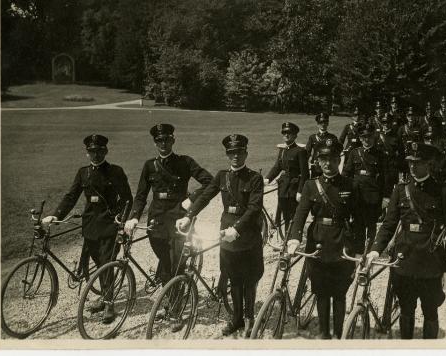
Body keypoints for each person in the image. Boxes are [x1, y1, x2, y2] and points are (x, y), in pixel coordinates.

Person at [366, 142, 446, 339]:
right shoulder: (400, 191)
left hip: (430, 262)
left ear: (428, 164)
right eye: (410, 163)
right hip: (404, 261)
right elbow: (389, 225)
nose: (413, 167)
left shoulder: (443, 192)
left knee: (430, 311)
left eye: (418, 163)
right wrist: (375, 249)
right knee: (406, 310)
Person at [124, 123, 213, 328]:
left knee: (177, 265)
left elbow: (209, 181)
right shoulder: (149, 166)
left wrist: (192, 198)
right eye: (159, 140)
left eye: (166, 140)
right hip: (156, 222)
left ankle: (175, 310)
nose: (163, 144)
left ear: (173, 140)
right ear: (155, 143)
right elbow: (141, 195)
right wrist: (135, 216)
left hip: (179, 221)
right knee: (165, 265)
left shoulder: (185, 162)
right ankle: (171, 297)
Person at [177, 134, 264, 338]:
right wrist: (189, 216)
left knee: (249, 280)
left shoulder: (254, 178)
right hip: (226, 235)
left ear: (246, 153)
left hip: (247, 235)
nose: (236, 156)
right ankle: (236, 319)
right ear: (227, 155)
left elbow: (254, 208)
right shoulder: (222, 176)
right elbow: (206, 196)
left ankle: (250, 318)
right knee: (234, 278)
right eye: (232, 153)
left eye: (239, 152)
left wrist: (238, 229)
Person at [42, 134, 133, 324]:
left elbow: (127, 199)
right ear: (87, 153)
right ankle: (105, 297)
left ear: (105, 151)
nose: (96, 155)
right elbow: (71, 196)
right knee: (98, 262)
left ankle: (109, 303)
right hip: (90, 225)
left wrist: (121, 223)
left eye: (99, 151)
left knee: (106, 263)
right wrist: (55, 215)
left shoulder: (115, 171)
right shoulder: (83, 173)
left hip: (109, 225)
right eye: (92, 151)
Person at [287, 138, 365, 339]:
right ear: (318, 161)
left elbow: (359, 220)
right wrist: (294, 239)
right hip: (318, 242)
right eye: (323, 159)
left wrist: (358, 249)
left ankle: (339, 334)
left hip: (342, 243)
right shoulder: (310, 185)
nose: (327, 163)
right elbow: (300, 214)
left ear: (339, 159)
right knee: (321, 291)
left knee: (339, 293)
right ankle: (324, 332)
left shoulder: (350, 185)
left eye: (331, 159)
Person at [342, 122, 390, 243]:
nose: (366, 140)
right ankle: (359, 250)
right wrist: (344, 190)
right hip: (357, 194)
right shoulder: (354, 153)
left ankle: (369, 250)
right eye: (363, 137)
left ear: (374, 137)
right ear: (360, 138)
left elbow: (386, 177)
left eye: (369, 136)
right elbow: (346, 173)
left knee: (372, 224)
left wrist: (386, 197)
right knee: (358, 223)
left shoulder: (381, 155)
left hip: (373, 196)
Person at [265, 122, 309, 235]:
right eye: (284, 133)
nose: (286, 135)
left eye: (289, 133)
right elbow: (277, 166)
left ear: (295, 135)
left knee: (292, 215)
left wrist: (300, 191)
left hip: (294, 189)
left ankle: (291, 239)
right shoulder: (283, 150)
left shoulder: (300, 151)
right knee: (284, 213)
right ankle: (285, 237)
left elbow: (305, 174)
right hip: (283, 187)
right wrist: (267, 178)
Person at [305, 112, 339, 178]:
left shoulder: (332, 137)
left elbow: (337, 153)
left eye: (325, 122)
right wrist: (309, 162)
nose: (323, 124)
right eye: (321, 123)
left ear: (328, 123)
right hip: (316, 166)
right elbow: (307, 152)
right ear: (317, 124)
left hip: (328, 165)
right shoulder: (313, 137)